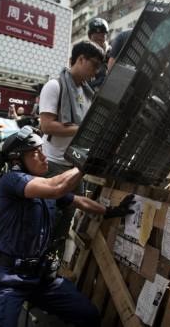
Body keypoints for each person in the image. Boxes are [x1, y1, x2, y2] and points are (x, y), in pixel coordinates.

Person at [0, 127, 134, 327]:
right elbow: (56, 187)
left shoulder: (44, 186)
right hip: (8, 278)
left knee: (88, 315)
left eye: (43, 150)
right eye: (36, 153)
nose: (44, 157)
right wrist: (85, 163)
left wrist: (112, 211)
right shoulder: (11, 180)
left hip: (40, 277)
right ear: (17, 161)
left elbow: (80, 201)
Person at [39, 40, 104, 255]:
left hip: (75, 164)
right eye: (93, 65)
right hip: (54, 165)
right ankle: (39, 266)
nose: (95, 72)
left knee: (66, 222)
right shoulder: (55, 85)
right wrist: (82, 129)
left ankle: (53, 267)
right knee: (49, 220)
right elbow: (46, 124)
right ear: (80, 59)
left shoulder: (86, 92)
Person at [87, 18, 111, 90]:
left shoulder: (110, 53)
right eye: (96, 38)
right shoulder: (83, 55)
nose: (100, 38)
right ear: (90, 37)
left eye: (102, 36)